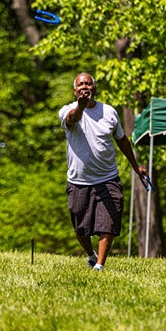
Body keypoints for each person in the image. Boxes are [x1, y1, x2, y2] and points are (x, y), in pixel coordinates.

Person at [59, 73, 147, 271]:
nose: (84, 87)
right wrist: (80, 106)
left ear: (94, 88)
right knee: (80, 227)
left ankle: (100, 266)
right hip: (79, 181)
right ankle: (91, 255)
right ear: (75, 90)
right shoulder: (67, 110)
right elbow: (73, 118)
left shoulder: (109, 112)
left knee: (108, 223)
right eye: (80, 84)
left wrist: (135, 166)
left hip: (108, 178)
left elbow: (121, 139)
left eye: (88, 84)